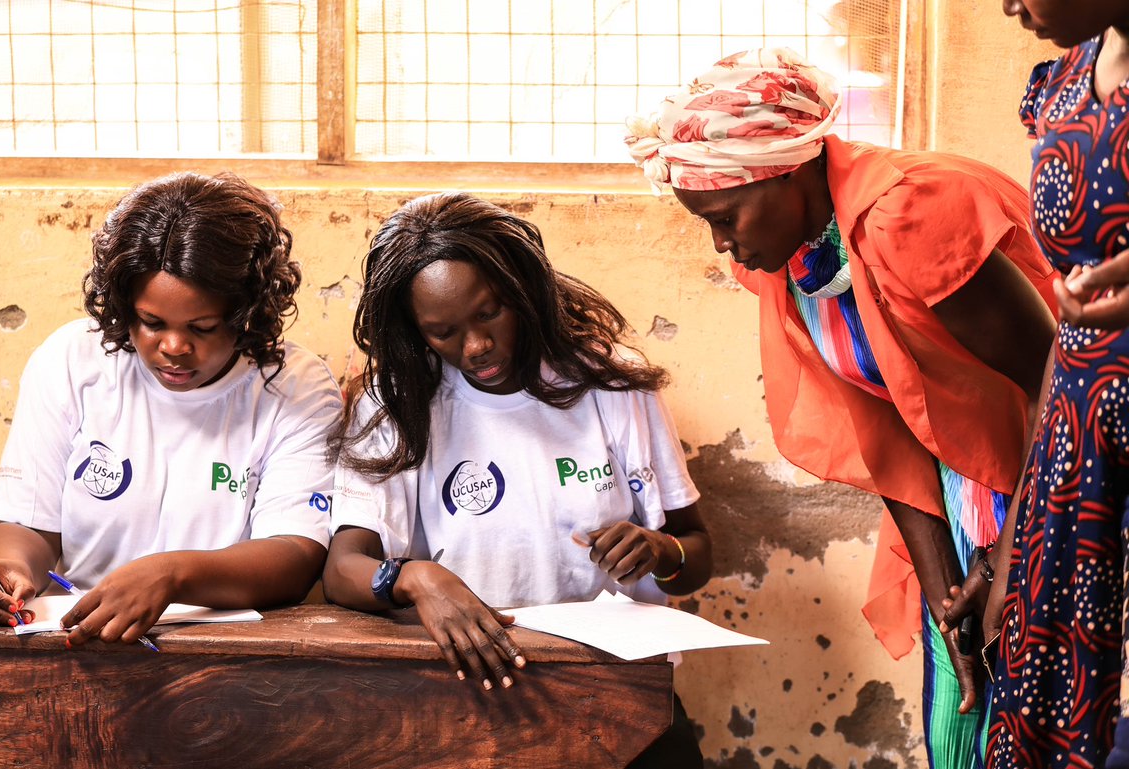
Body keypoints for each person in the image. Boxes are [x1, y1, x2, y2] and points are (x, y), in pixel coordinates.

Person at [625, 47, 1058, 769]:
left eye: (726, 215)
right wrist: (947, 590)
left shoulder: (907, 214)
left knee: (1032, 732)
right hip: (969, 509)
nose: (723, 243)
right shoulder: (795, 260)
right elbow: (892, 427)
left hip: (1063, 477)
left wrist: (1011, 556)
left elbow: (1061, 379)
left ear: (790, 172)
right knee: (960, 726)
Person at [324, 191, 712, 768]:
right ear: (415, 330)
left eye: (489, 314)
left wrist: (660, 549)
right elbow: (341, 572)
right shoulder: (397, 404)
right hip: (469, 691)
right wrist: (419, 581)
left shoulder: (612, 383)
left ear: (523, 290)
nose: (475, 346)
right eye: (443, 331)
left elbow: (694, 558)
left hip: (615, 689)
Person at [0, 172, 340, 648]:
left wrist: (173, 575)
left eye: (203, 327)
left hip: (232, 655)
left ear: (246, 312)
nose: (174, 347)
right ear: (125, 307)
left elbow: (294, 555)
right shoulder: (72, 360)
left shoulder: (294, 386)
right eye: (151, 322)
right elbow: (28, 523)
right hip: (82, 641)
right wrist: (10, 568)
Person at [937, 4, 1129, 766]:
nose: (1008, 6)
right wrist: (1008, 548)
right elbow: (1064, 333)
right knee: (1050, 707)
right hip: (1080, 445)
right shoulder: (1064, 86)